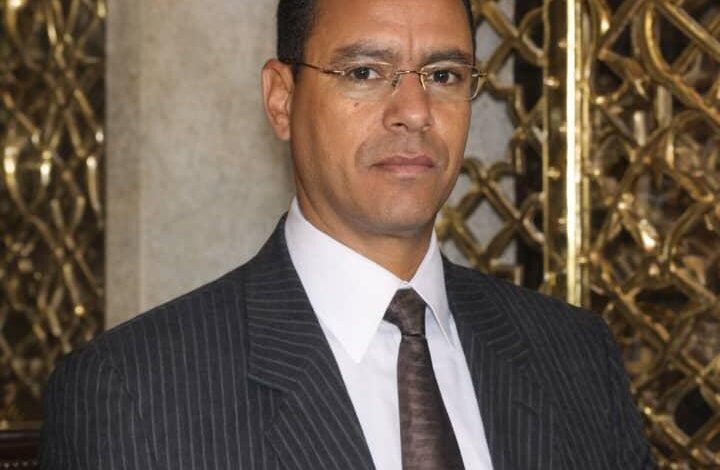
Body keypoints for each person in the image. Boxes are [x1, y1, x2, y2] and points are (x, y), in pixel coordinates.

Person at [40, 0, 653, 468]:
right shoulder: (136, 391)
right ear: (282, 100)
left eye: (443, 74)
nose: (414, 112)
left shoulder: (575, 354)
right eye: (364, 71)